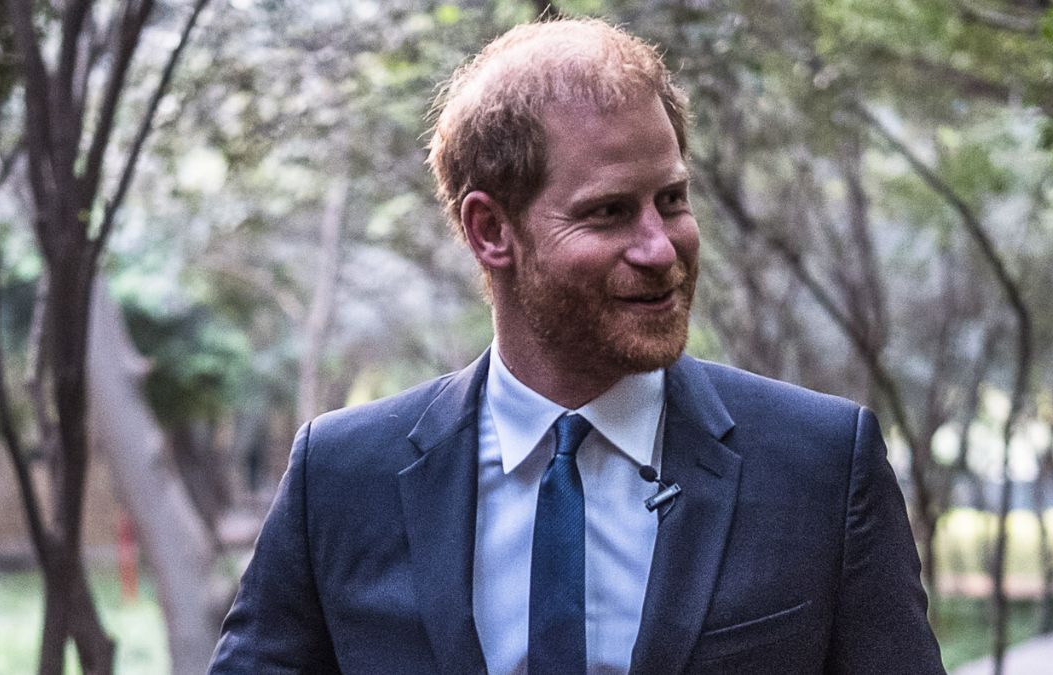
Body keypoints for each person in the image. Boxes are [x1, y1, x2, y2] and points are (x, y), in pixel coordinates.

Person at [209, 18, 945, 674]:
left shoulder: (821, 465)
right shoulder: (340, 477)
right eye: (609, 212)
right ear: (490, 231)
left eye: (673, 200)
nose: (661, 248)